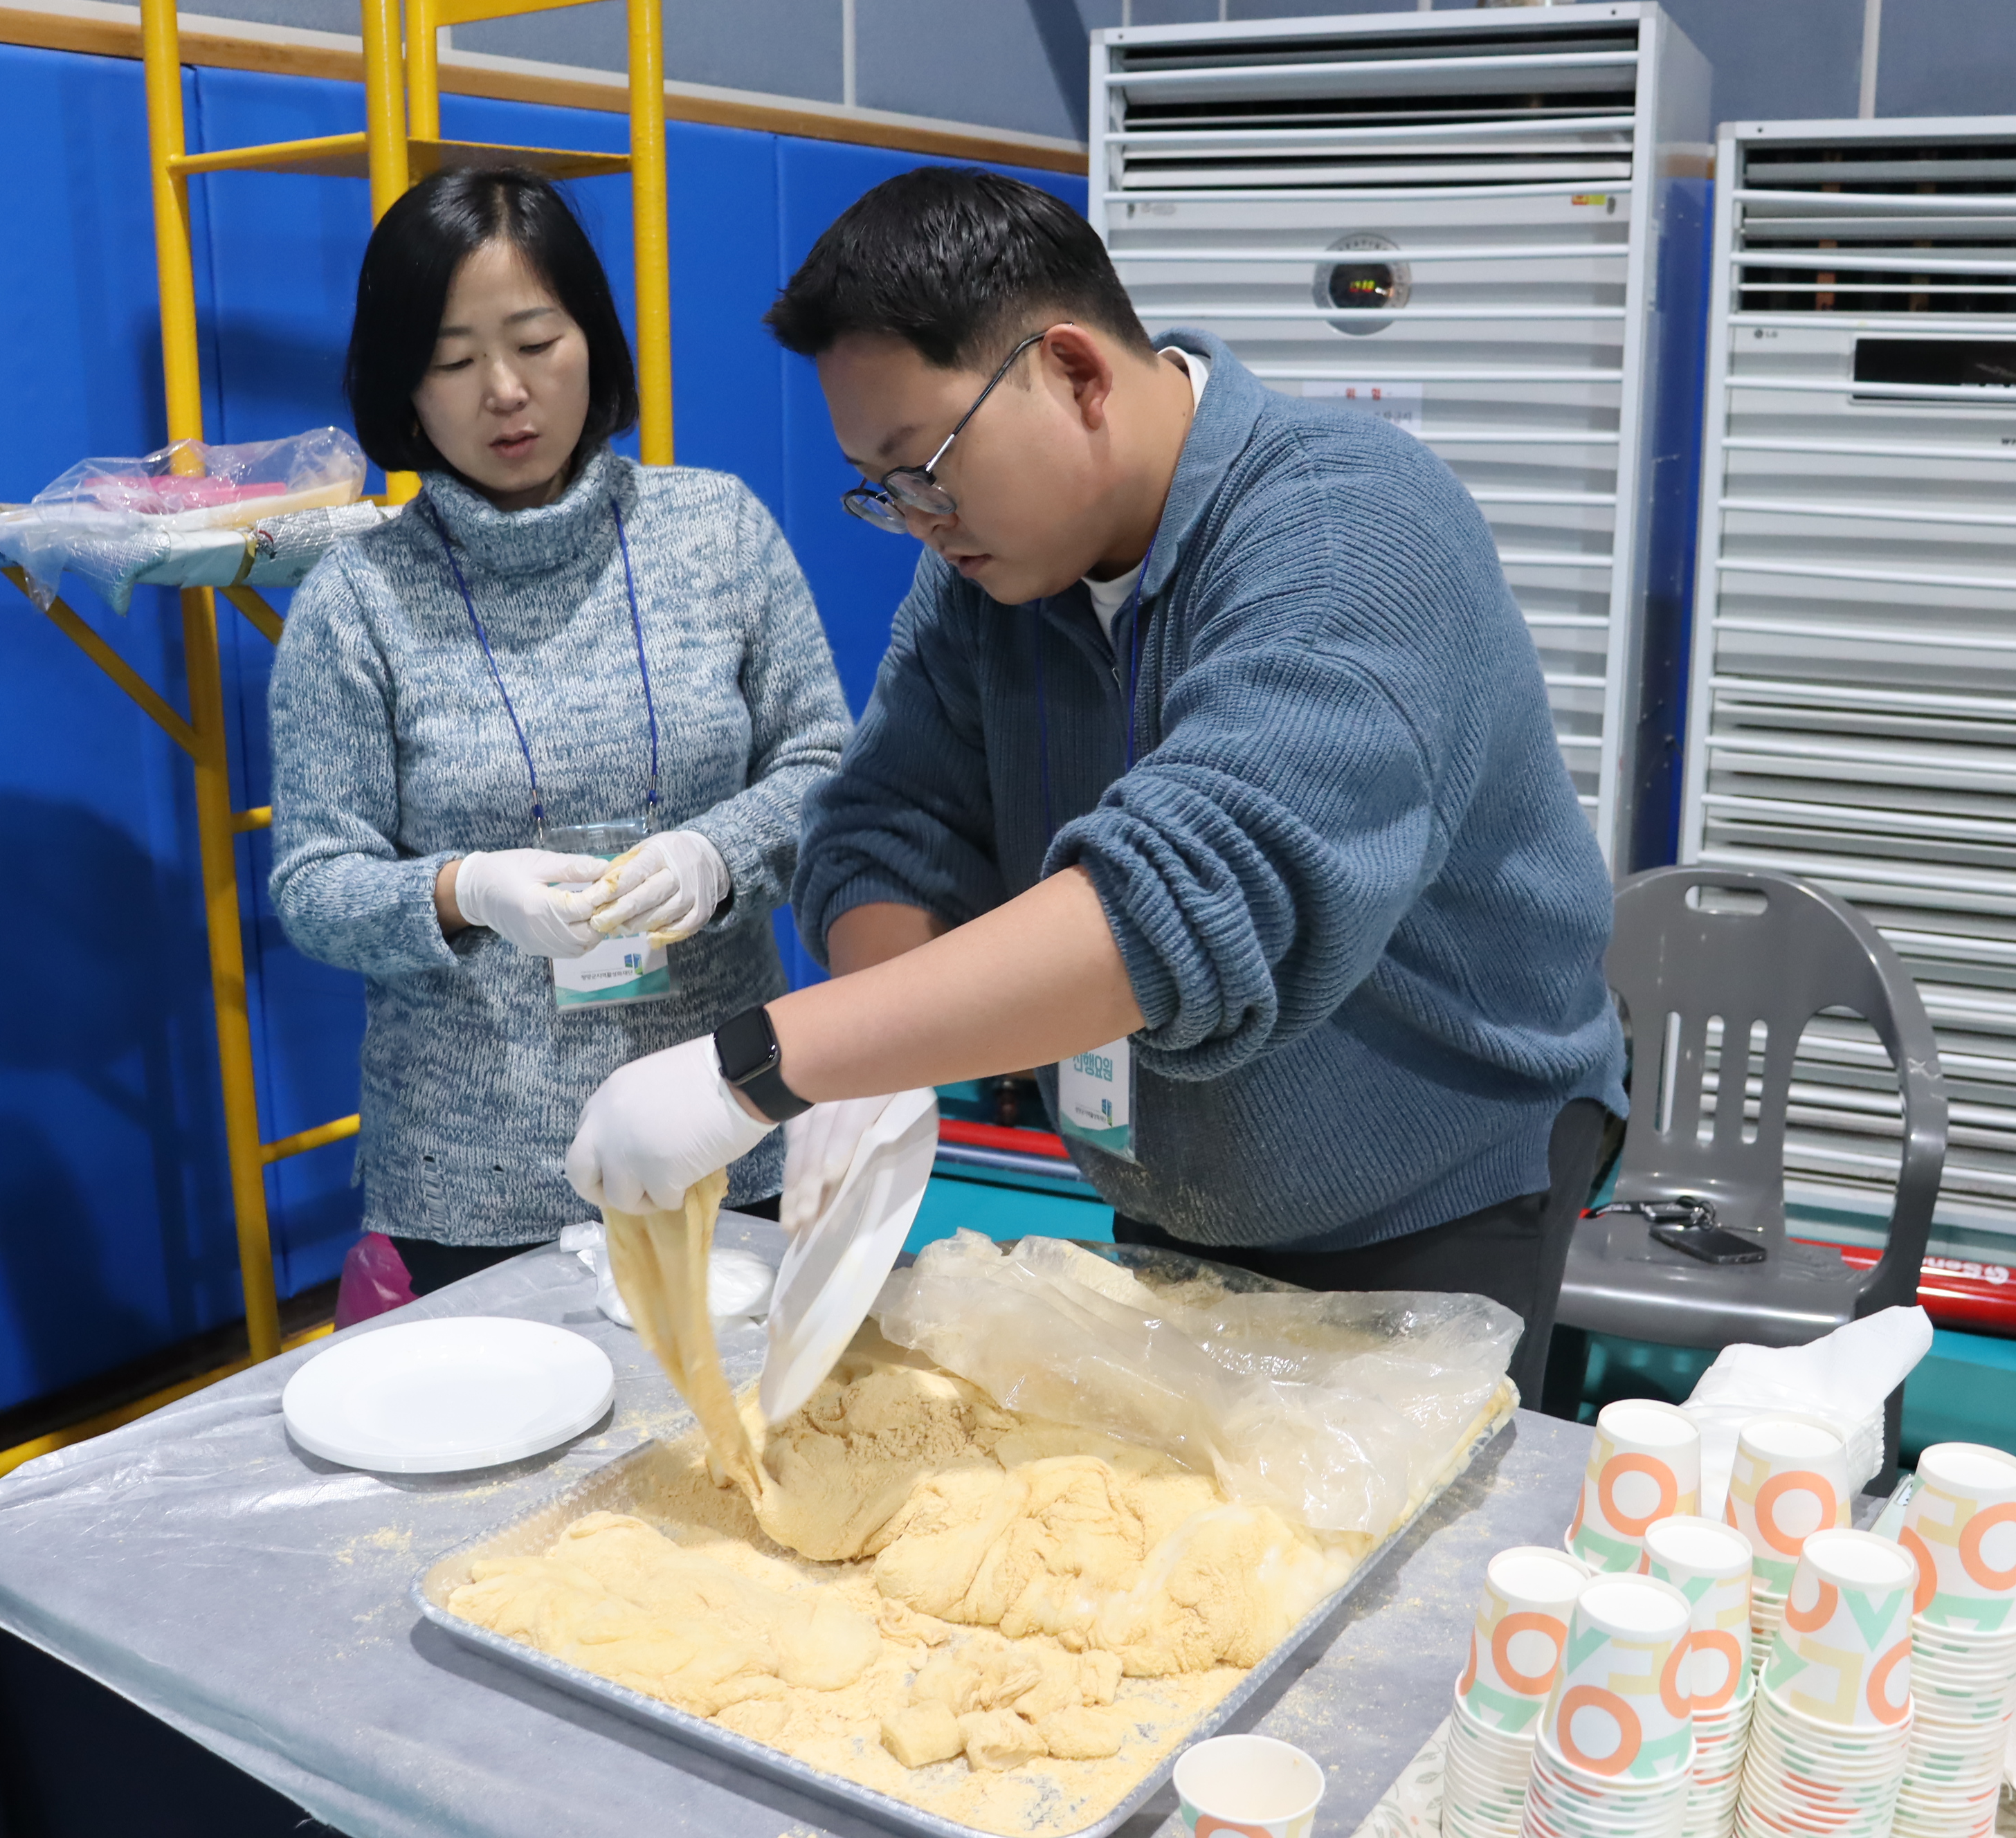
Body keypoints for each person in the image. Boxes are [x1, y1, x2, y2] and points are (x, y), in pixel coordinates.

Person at [563, 167, 1624, 1408]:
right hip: (1173, 1177)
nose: (920, 519)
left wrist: (763, 1064)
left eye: (927, 466)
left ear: (1073, 372)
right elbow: (887, 822)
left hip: (1430, 1188)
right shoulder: (988, 578)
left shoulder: (1348, 530)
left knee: (1385, 1509)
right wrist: (878, 1046)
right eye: (883, 489)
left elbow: (1184, 906)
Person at [269, 167, 850, 1309]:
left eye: (536, 342)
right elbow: (314, 883)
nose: (505, 391)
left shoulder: (718, 530)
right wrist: (463, 890)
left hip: (723, 1128)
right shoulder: (356, 600)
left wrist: (719, 855)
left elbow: (828, 771)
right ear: (404, 387)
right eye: (453, 362)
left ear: (593, 339)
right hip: (471, 1186)